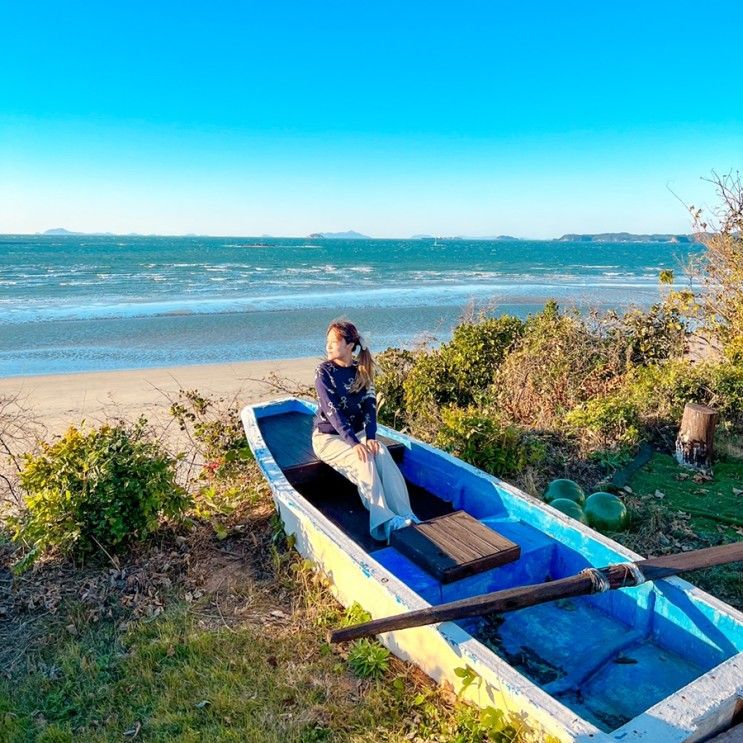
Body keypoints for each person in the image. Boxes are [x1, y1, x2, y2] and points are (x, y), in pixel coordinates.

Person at [312, 320, 420, 542]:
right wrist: (355, 443)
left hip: (359, 434)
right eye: (327, 342)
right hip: (328, 438)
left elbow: (370, 410)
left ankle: (405, 514)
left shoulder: (363, 372)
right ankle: (384, 522)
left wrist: (370, 438)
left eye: (334, 342)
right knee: (363, 459)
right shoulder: (324, 372)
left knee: (380, 451)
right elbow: (332, 412)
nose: (328, 347)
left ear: (350, 345)